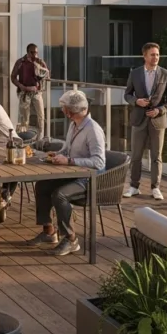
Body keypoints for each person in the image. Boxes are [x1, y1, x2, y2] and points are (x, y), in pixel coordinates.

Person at [28, 90, 107, 257]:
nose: (62, 110)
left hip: (90, 178)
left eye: (64, 107)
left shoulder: (93, 130)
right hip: (73, 172)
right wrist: (59, 154)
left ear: (71, 110)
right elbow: (68, 149)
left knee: (60, 195)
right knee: (42, 186)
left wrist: (70, 161)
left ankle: (71, 239)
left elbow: (99, 162)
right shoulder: (74, 125)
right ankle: (49, 232)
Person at [122, 42, 167, 201]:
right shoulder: (135, 73)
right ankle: (134, 186)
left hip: (158, 121)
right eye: (152, 55)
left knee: (157, 156)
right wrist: (136, 101)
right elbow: (127, 94)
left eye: (157, 55)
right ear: (144, 56)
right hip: (139, 120)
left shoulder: (166, 74)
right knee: (136, 155)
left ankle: (156, 187)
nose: (156, 57)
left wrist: (160, 110)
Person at [11, 44, 49, 130]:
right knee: (24, 118)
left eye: (36, 53)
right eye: (32, 53)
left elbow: (47, 75)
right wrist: (21, 86)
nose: (35, 55)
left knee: (41, 116)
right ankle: (25, 137)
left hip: (36, 92)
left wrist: (40, 70)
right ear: (27, 52)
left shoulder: (40, 61)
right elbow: (13, 77)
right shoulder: (20, 62)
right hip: (24, 92)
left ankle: (40, 137)